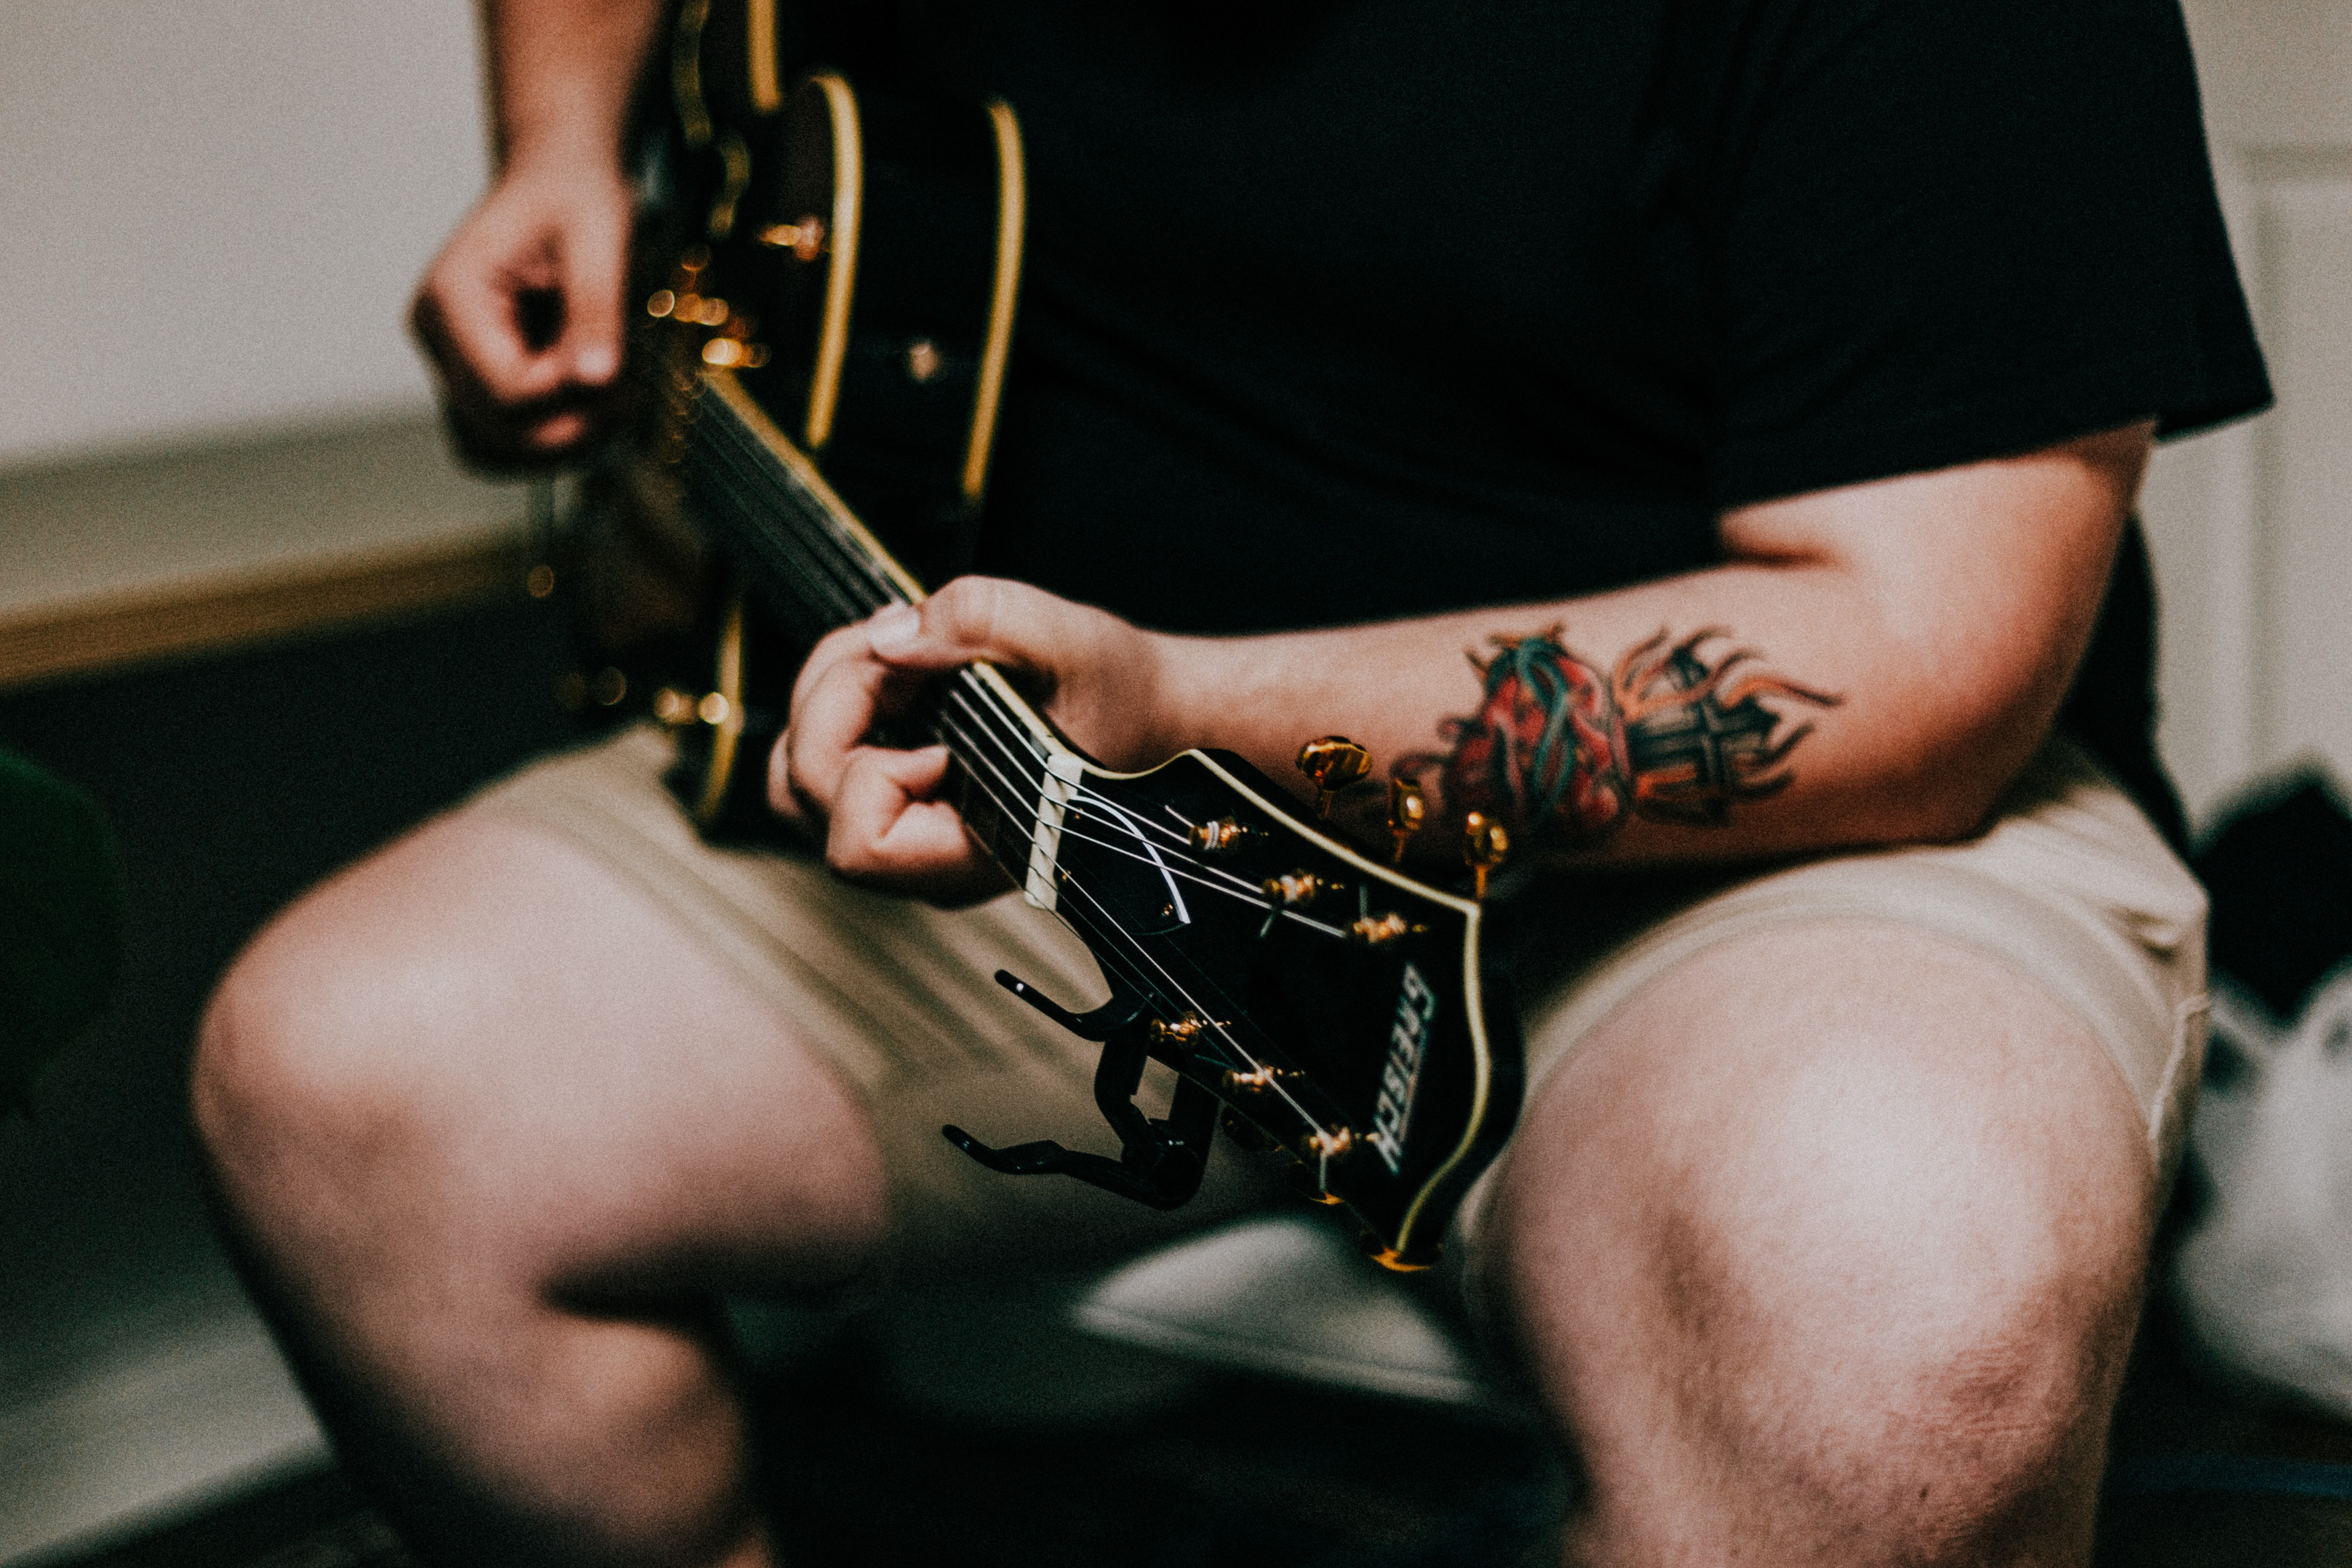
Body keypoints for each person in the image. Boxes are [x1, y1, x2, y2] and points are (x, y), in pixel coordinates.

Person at [192, 0, 2270, 1563]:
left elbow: (1910, 667)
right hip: (1033, 813)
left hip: (1730, 862)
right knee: (346, 1089)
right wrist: (556, 140)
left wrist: (1190, 696)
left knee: (1890, 1289)